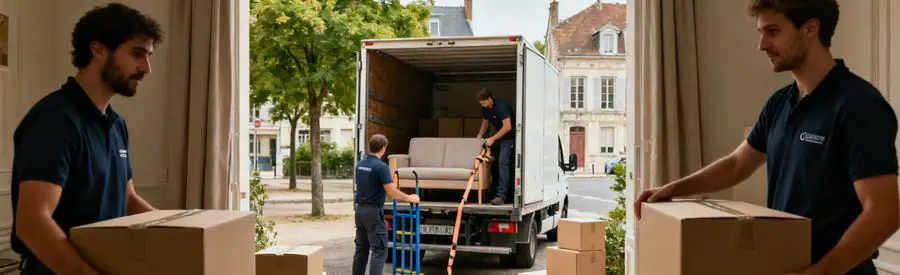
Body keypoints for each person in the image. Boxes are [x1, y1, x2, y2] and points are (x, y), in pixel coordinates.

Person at [634, 1, 898, 274]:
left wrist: (823, 272)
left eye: (773, 31)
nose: (762, 45)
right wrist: (673, 189)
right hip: (786, 264)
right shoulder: (780, 103)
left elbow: (885, 212)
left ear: (810, 28)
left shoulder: (858, 106)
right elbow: (738, 164)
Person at [10, 3, 163, 275]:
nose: (146, 67)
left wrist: (173, 231)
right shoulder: (55, 121)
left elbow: (127, 198)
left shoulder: (117, 125)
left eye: (149, 55)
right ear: (98, 50)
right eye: (137, 54)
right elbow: (32, 222)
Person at [352, 134, 420, 275]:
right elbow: (392, 193)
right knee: (380, 249)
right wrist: (410, 198)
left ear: (370, 147)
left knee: (362, 248)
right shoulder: (381, 167)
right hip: (373, 213)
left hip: (360, 211)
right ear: (383, 148)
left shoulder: (359, 165)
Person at [475, 88, 516, 205]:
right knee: (491, 162)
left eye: (483, 102)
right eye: (480, 104)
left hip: (509, 138)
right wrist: (479, 136)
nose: (482, 105)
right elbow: (485, 122)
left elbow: (507, 127)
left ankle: (502, 195)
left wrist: (492, 138)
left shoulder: (501, 107)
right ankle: (492, 192)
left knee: (503, 162)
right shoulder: (485, 108)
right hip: (498, 137)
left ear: (489, 98)